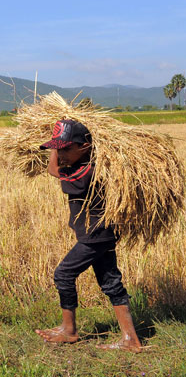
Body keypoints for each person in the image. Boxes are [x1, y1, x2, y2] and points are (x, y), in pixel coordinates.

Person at [34, 119, 142, 353]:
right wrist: (58, 144)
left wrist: (53, 147)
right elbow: (61, 165)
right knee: (111, 282)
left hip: (94, 236)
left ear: (86, 145)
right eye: (58, 149)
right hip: (103, 234)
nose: (61, 154)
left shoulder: (86, 172)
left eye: (65, 148)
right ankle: (130, 339)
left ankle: (69, 330)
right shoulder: (91, 165)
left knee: (63, 274)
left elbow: (53, 170)